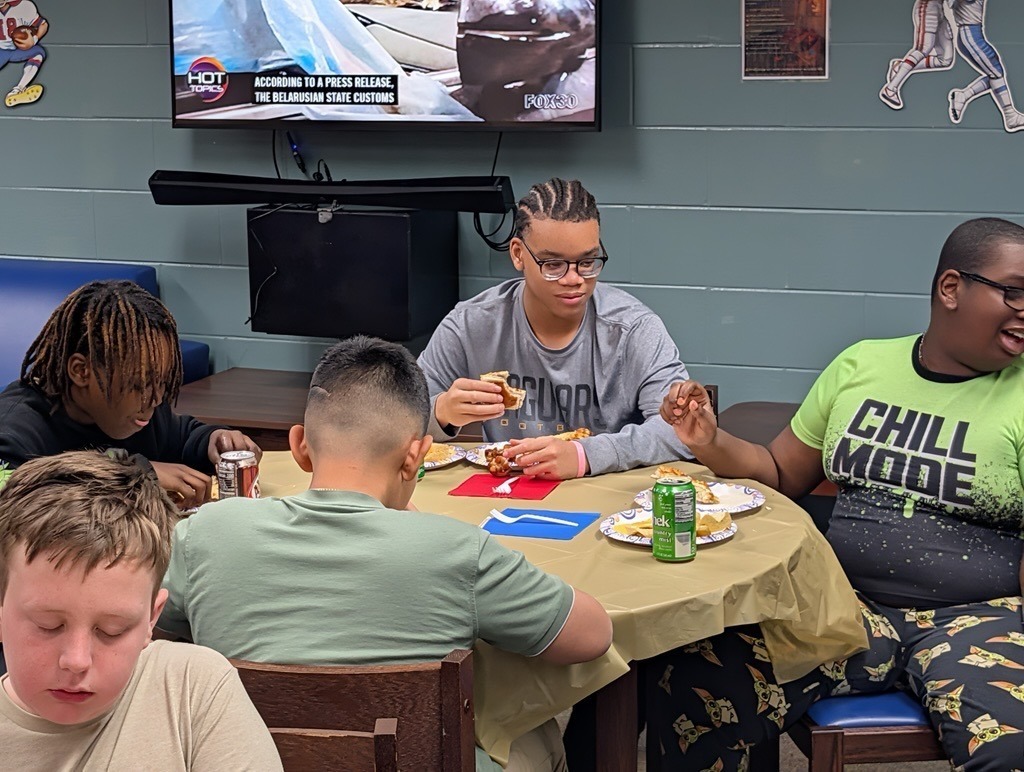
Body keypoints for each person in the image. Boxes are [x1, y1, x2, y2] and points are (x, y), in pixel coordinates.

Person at [649, 217, 1024, 771]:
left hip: (981, 618)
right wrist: (710, 440)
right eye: (1014, 292)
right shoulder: (861, 365)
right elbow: (780, 472)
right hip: (842, 606)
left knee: (1010, 748)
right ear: (951, 288)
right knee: (692, 678)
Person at [157, 334, 614, 772]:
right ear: (416, 456)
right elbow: (593, 636)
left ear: (299, 446)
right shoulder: (456, 550)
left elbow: (148, 630)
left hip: (251, 761)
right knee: (537, 735)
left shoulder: (204, 533)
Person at [0, 450, 282, 770]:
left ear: (152, 618)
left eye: (112, 630)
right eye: (47, 624)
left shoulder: (193, 688)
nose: (77, 661)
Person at [418, 177, 692, 480]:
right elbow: (397, 420)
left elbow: (680, 431)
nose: (574, 279)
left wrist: (585, 455)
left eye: (587, 262)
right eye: (552, 265)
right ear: (518, 254)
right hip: (504, 495)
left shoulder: (633, 329)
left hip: (606, 496)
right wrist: (442, 412)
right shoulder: (470, 325)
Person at [0, 279, 260, 509]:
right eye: (139, 383)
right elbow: (18, 506)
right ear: (81, 371)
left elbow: (182, 437)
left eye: (162, 381)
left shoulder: (140, 413)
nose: (156, 398)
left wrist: (213, 441)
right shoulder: (14, 431)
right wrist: (134, 475)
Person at [947, 0, 1024, 132]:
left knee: (995, 73)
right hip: (970, 34)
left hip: (973, 33)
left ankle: (963, 95)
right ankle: (1010, 115)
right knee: (996, 73)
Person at [879, 0, 955, 110]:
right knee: (923, 49)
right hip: (928, 6)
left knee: (945, 59)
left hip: (939, 9)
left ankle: (900, 67)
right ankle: (890, 89)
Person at [0, 0, 47, 108]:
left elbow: (43, 24)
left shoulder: (24, 6)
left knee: (38, 53)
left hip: (19, 50)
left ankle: (18, 90)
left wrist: (34, 39)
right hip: (1, 50)